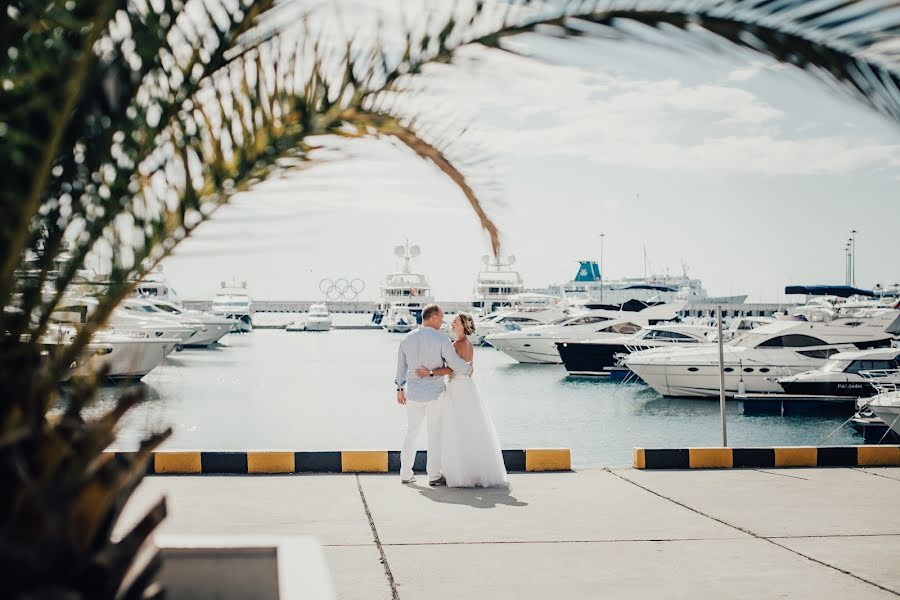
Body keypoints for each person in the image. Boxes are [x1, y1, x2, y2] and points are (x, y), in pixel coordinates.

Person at [415, 313, 508, 488]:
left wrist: (430, 373)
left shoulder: (457, 344)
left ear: (463, 326)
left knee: (455, 428)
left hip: (457, 389)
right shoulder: (468, 344)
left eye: (455, 322)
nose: (452, 323)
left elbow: (451, 368)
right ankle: (474, 470)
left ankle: (459, 472)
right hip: (468, 388)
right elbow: (467, 369)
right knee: (471, 427)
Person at [395, 304, 472, 486]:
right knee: (434, 434)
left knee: (411, 432)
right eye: (442, 317)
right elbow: (453, 362)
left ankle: (406, 474)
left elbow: (400, 369)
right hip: (435, 395)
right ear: (434, 317)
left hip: (413, 394)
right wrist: (468, 369)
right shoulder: (441, 339)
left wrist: (399, 388)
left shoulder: (406, 339)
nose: (443, 321)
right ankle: (434, 476)